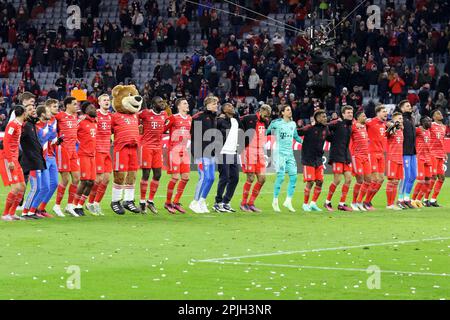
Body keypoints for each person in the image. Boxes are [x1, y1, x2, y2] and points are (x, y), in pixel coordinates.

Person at [266, 105, 303, 213]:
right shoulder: (276, 123)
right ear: (282, 112)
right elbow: (266, 132)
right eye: (287, 110)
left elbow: (295, 136)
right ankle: (275, 201)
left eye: (290, 110)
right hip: (279, 153)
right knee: (281, 177)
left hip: (290, 154)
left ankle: (288, 201)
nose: (290, 111)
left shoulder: (293, 124)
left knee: (294, 177)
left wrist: (305, 142)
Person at [239, 104, 272, 212]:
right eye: (266, 115)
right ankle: (243, 203)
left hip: (260, 151)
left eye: (268, 116)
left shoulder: (265, 122)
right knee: (250, 178)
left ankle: (251, 203)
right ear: (261, 111)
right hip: (249, 150)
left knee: (262, 179)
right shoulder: (250, 118)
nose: (267, 118)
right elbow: (238, 122)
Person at [138, 96, 168, 214]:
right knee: (146, 174)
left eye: (162, 101)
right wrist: (139, 126)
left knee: (158, 174)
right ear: (153, 103)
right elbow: (135, 116)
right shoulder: (145, 113)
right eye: (159, 101)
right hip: (147, 147)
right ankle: (141, 202)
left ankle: (150, 201)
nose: (162, 103)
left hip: (158, 148)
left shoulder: (164, 114)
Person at [189, 96, 218, 214]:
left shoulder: (213, 117)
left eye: (217, 103)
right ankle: (194, 202)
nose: (216, 105)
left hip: (210, 153)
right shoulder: (199, 117)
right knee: (203, 177)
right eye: (214, 103)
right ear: (208, 104)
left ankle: (202, 201)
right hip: (200, 153)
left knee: (211, 178)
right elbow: (194, 136)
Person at [53, 97, 80, 217]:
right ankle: (57, 205)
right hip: (63, 150)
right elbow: (50, 126)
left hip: (73, 150)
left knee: (76, 178)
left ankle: (69, 206)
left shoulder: (75, 117)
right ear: (67, 105)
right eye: (74, 104)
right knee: (65, 179)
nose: (77, 106)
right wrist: (55, 139)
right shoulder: (59, 116)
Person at [164, 98, 192, 214]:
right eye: (184, 103)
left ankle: (176, 202)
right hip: (174, 151)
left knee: (185, 177)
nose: (187, 105)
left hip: (184, 151)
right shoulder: (173, 118)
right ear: (179, 106)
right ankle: (168, 202)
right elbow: (163, 129)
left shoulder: (190, 119)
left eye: (187, 103)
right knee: (175, 177)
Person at [298, 110, 329, 212]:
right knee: (310, 182)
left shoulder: (326, 129)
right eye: (323, 117)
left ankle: (313, 204)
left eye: (325, 117)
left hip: (318, 159)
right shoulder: (309, 128)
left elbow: (331, 137)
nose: (325, 118)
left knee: (320, 181)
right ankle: (305, 204)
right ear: (317, 118)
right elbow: (298, 131)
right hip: (308, 159)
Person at [213, 102, 241, 213]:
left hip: (233, 152)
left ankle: (226, 202)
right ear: (224, 110)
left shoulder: (235, 120)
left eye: (232, 106)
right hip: (222, 152)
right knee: (224, 177)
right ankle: (217, 202)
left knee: (235, 178)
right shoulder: (220, 121)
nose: (232, 107)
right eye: (228, 106)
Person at [86, 94, 112, 216]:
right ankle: (90, 203)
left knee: (106, 179)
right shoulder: (95, 115)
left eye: (108, 100)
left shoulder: (111, 116)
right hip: (97, 150)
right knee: (98, 179)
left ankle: (96, 203)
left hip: (107, 150)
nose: (107, 102)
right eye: (104, 100)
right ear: (99, 102)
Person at [0, 105, 27, 221]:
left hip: (15, 159)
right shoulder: (13, 125)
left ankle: (12, 213)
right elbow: (5, 141)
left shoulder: (19, 125)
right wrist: (10, 160)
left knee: (22, 187)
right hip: (8, 159)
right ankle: (5, 214)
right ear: (23, 113)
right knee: (16, 187)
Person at [325, 106, 354, 212]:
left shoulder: (349, 125)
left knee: (349, 179)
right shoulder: (337, 123)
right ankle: (327, 201)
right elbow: (326, 127)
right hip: (337, 155)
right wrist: (330, 138)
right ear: (343, 114)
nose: (350, 114)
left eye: (351, 112)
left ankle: (341, 204)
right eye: (348, 112)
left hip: (346, 155)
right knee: (337, 180)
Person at [21, 103, 47, 219]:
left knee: (39, 188)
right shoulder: (26, 126)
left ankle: (31, 211)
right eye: (30, 109)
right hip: (31, 162)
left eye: (34, 108)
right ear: (25, 113)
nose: (33, 110)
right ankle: (25, 212)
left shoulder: (32, 125)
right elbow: (17, 138)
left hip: (37, 160)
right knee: (35, 188)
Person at [73, 102, 98, 216]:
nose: (94, 109)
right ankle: (74, 205)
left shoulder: (95, 122)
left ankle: (80, 205)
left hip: (92, 155)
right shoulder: (81, 122)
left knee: (92, 182)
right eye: (91, 107)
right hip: (83, 155)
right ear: (85, 110)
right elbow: (72, 134)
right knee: (84, 181)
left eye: (94, 107)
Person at [37, 99, 60, 215]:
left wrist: (57, 141)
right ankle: (32, 208)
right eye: (54, 106)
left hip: (52, 155)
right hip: (44, 156)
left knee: (54, 183)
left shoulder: (55, 120)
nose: (57, 108)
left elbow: (52, 138)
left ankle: (41, 207)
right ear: (47, 108)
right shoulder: (41, 122)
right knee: (42, 185)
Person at [364, 104, 388, 210]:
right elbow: (359, 124)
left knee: (381, 179)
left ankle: (368, 201)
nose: (386, 113)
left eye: (386, 111)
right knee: (375, 179)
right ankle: (365, 202)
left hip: (381, 154)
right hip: (372, 153)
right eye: (383, 111)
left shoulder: (384, 124)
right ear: (378, 113)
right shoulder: (370, 122)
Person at [350, 110, 372, 211]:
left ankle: (359, 202)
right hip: (357, 156)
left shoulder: (365, 126)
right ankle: (353, 202)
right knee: (360, 180)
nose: (365, 117)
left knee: (368, 179)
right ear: (358, 117)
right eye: (363, 116)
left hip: (366, 156)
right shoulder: (353, 126)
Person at [397, 100, 416, 209]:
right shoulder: (401, 120)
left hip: (413, 151)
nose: (410, 107)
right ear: (402, 108)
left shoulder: (411, 119)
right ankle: (400, 200)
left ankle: (407, 198)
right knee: (405, 176)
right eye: (407, 106)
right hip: (404, 152)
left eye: (410, 105)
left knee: (413, 176)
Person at [426, 109, 447, 207]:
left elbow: (442, 141)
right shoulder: (430, 125)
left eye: (440, 113)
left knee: (442, 178)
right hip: (432, 153)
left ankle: (433, 200)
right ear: (433, 117)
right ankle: (425, 199)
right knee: (433, 176)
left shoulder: (444, 127)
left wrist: (444, 153)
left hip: (441, 154)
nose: (440, 114)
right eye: (437, 113)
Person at [411, 116, 433, 207]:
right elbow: (410, 137)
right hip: (420, 157)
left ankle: (418, 200)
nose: (430, 122)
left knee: (428, 180)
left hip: (428, 157)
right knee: (421, 180)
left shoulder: (428, 131)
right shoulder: (418, 130)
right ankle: (412, 200)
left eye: (430, 120)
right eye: (428, 121)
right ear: (423, 122)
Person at [385, 112, 404, 210]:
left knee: (396, 181)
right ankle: (389, 204)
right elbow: (387, 134)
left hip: (400, 159)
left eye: (402, 118)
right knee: (391, 181)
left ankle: (392, 203)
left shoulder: (401, 130)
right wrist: (393, 126)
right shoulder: (392, 128)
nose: (401, 120)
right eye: (399, 118)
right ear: (394, 119)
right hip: (392, 158)